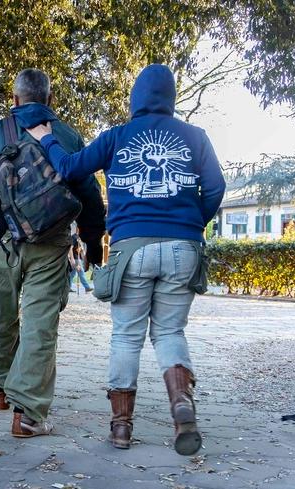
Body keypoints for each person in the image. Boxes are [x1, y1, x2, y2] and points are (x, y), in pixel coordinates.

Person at [28, 64, 226, 455]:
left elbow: (69, 168)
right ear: (170, 98)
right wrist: (190, 225)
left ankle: (121, 428)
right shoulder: (196, 137)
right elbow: (216, 187)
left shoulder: (117, 136)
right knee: (170, 333)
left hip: (131, 249)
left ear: (135, 99)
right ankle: (182, 404)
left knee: (126, 336)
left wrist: (47, 138)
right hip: (184, 249)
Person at [0, 68, 107, 437]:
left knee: (0, 315)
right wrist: (91, 238)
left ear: (15, 99)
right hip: (51, 244)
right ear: (49, 99)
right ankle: (28, 415)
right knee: (40, 325)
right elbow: (88, 190)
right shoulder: (65, 135)